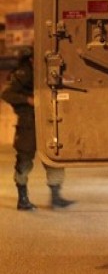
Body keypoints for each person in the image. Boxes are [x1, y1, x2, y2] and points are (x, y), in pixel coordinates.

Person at [1, 46, 74, 210]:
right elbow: (6, 94)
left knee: (54, 157)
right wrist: (28, 100)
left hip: (48, 121)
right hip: (28, 123)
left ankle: (56, 198)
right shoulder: (23, 73)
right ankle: (23, 199)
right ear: (31, 59)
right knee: (24, 160)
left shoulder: (48, 71)